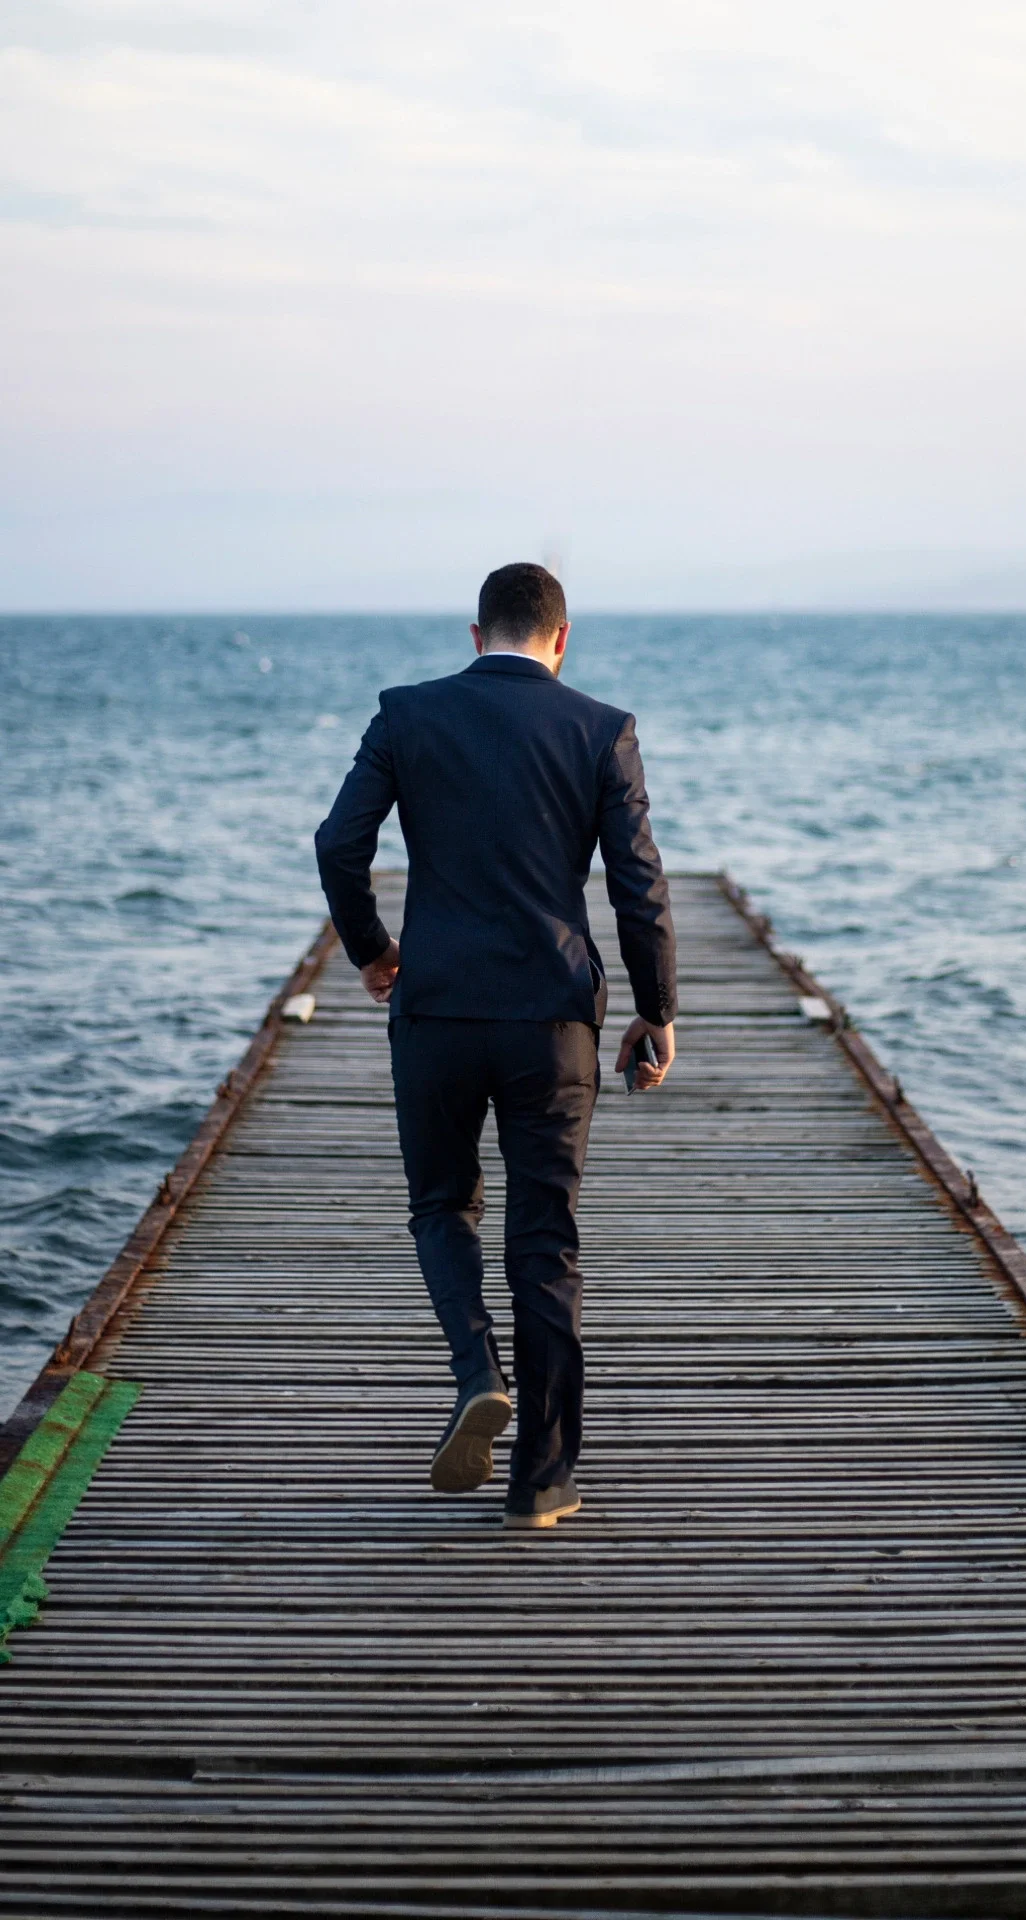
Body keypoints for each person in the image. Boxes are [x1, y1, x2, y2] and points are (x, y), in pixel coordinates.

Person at [315, 563, 677, 1529]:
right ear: (563, 640)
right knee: (544, 1238)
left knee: (441, 1205)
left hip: (434, 1012)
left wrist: (372, 951)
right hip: (552, 1022)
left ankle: (477, 1369)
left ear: (476, 636)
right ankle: (541, 1482)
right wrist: (656, 1009)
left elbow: (339, 845)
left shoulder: (406, 714)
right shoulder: (601, 729)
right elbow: (637, 884)